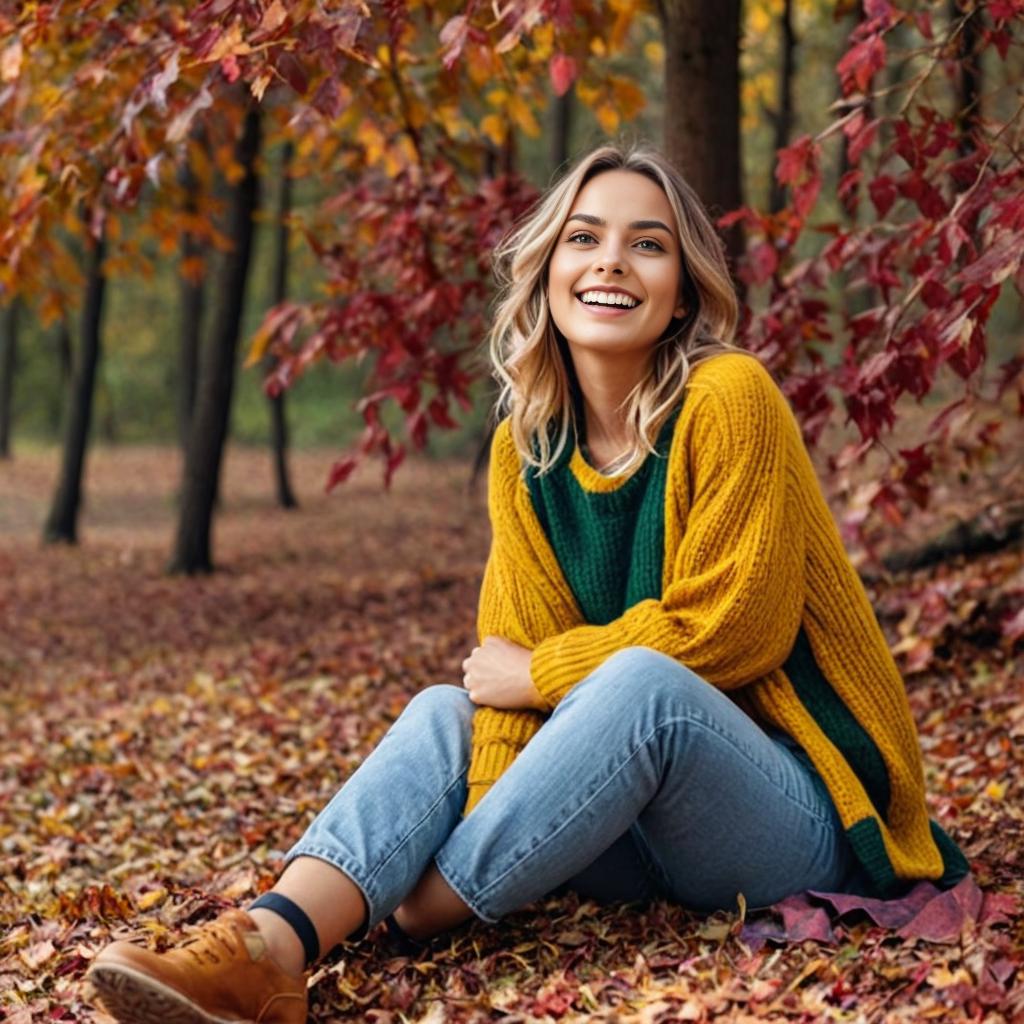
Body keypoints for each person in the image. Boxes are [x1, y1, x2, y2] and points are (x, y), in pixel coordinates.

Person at [87, 143, 969, 1024]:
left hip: (797, 818)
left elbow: (736, 629)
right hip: (630, 823)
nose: (612, 261)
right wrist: (488, 808)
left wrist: (444, 884)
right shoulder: (526, 448)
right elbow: (505, 679)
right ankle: (268, 949)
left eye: (648, 245)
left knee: (640, 683)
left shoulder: (729, 397)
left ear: (684, 293)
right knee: (447, 711)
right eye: (584, 237)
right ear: (548, 268)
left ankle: (424, 900)